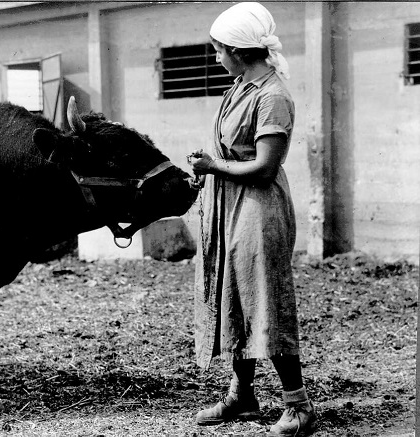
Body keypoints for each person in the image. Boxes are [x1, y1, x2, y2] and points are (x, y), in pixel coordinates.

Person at [188, 3, 317, 436]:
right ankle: (242, 394)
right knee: (233, 296)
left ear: (238, 51)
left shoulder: (272, 96)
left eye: (219, 50)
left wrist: (213, 166)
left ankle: (298, 406)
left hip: (259, 209)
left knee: (264, 300)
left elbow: (264, 167)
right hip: (229, 205)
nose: (216, 58)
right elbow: (232, 152)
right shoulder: (239, 88)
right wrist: (209, 165)